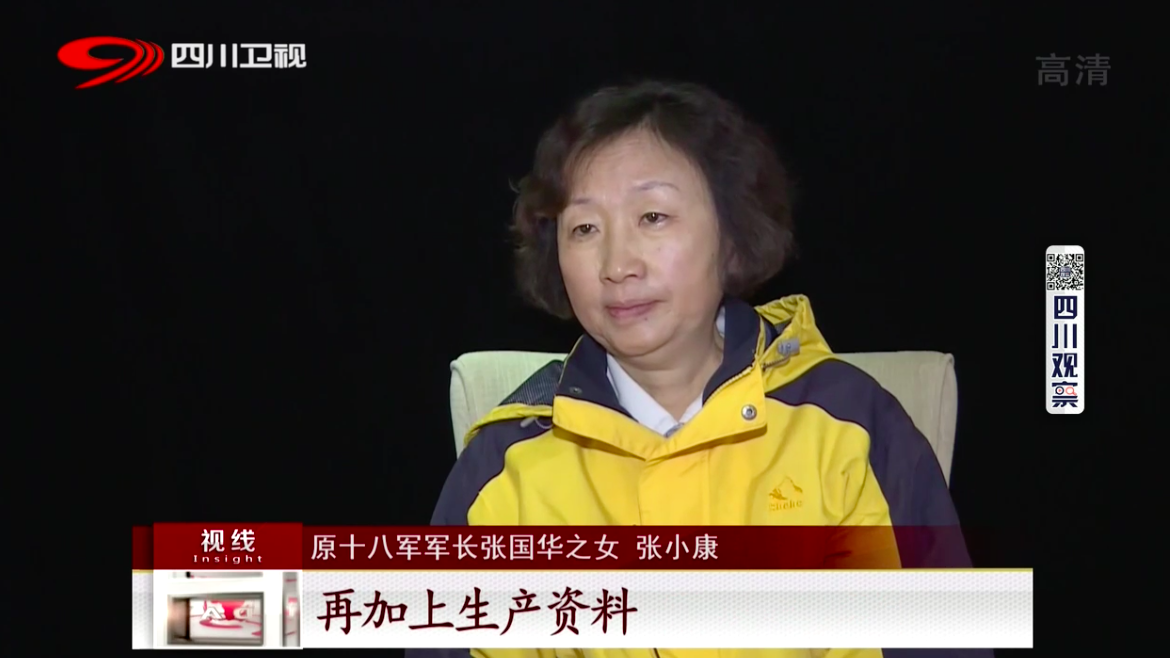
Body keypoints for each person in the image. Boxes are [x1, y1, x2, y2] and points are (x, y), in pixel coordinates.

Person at [412, 81, 984, 658]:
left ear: (732, 236)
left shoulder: (852, 426)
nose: (617, 265)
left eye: (653, 216)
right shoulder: (503, 466)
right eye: (584, 228)